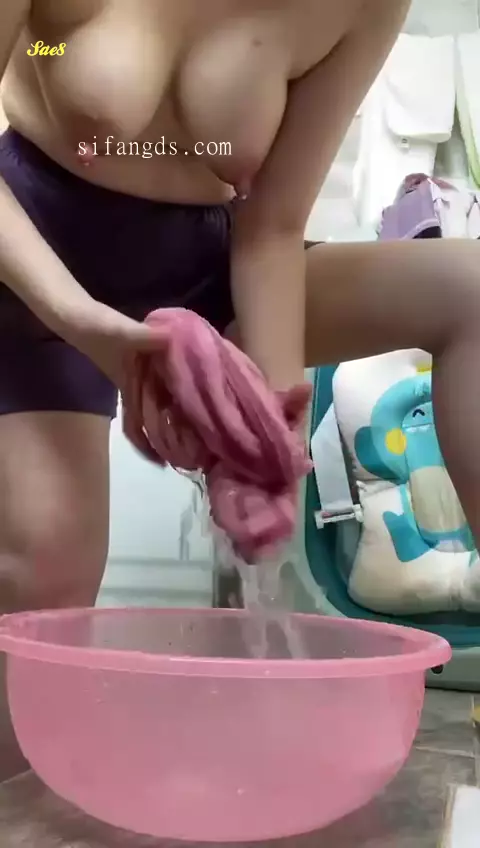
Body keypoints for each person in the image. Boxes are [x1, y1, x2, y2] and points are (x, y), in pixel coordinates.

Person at [1, 0, 479, 779]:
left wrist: (271, 419)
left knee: (471, 290)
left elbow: (273, 228)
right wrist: (80, 319)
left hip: (209, 265)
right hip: (28, 272)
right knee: (45, 571)